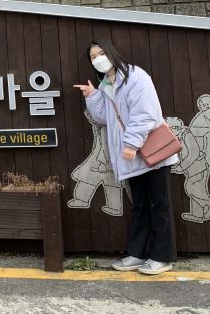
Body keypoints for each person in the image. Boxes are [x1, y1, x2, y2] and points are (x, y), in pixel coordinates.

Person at [74, 38, 178, 275]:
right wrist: (92, 96)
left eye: (101, 53)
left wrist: (131, 143)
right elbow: (104, 118)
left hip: (151, 154)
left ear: (111, 52)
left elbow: (145, 113)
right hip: (132, 159)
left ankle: (162, 257)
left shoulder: (135, 77)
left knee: (159, 205)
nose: (98, 59)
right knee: (140, 206)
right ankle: (137, 254)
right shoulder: (106, 84)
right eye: (93, 57)